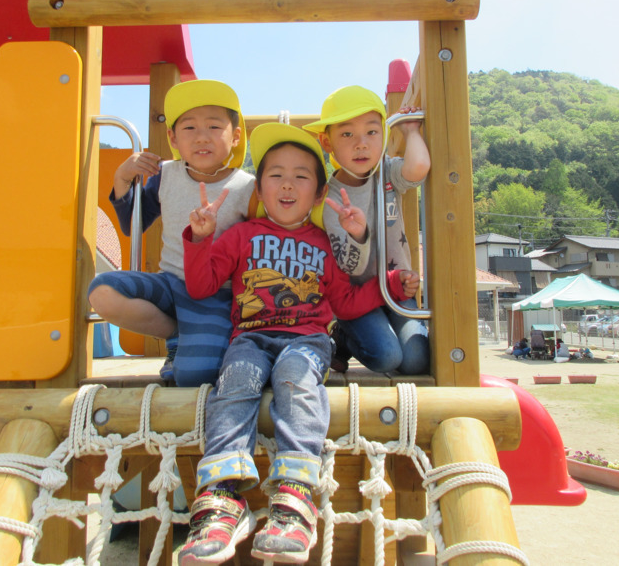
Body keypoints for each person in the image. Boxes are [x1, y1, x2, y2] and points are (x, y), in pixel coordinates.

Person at [177, 123, 418, 565]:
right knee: (234, 382)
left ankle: (294, 496)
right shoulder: (241, 235)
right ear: (260, 188)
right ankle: (221, 498)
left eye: (301, 176)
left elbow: (345, 302)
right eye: (276, 175)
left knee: (294, 380)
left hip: (306, 340)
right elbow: (201, 285)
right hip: (250, 338)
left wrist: (392, 284)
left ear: (320, 192)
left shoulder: (323, 243)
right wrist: (200, 238)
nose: (287, 184)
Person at [88, 79, 255, 386]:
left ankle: (198, 340)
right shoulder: (165, 174)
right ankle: (177, 333)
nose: (202, 137)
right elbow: (133, 224)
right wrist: (122, 177)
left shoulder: (247, 188)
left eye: (214, 126)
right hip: (169, 285)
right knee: (102, 292)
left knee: (195, 376)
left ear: (235, 137)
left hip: (216, 294)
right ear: (173, 138)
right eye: (189, 128)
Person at [303, 85, 431, 375]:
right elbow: (351, 266)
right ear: (327, 142)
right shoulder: (329, 199)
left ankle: (356, 335)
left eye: (372, 132)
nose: (361, 144)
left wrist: (411, 131)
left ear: (383, 135)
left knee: (415, 361)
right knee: (387, 357)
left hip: (398, 287)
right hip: (357, 296)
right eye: (347, 134)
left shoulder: (386, 172)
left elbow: (419, 167)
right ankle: (343, 336)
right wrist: (358, 234)